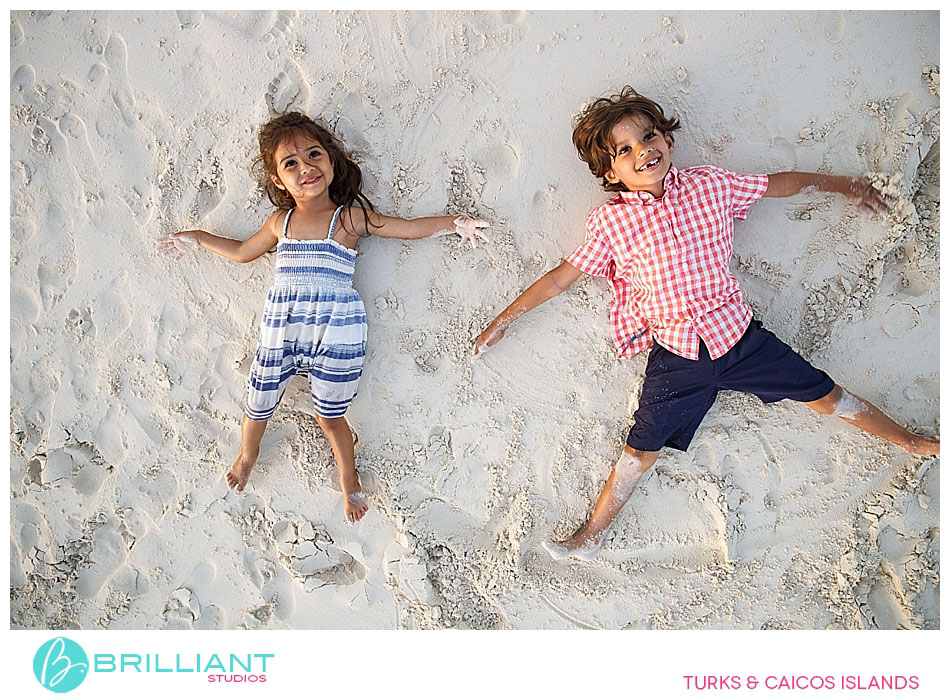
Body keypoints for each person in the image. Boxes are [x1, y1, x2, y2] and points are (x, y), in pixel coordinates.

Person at [474, 86, 938, 560]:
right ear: (611, 173)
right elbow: (559, 280)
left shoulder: (710, 185)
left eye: (649, 136)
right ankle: (590, 537)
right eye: (625, 150)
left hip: (740, 338)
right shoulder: (610, 224)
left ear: (668, 142)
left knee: (827, 395)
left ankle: (915, 442)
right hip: (677, 357)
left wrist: (844, 185)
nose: (644, 151)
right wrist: (505, 319)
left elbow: (779, 184)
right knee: (638, 453)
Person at [159, 111, 489, 523]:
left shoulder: (348, 218)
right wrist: (199, 238)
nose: (306, 168)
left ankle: (348, 478)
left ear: (332, 162)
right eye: (290, 163)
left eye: (314, 155)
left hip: (337, 328)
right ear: (279, 181)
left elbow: (405, 228)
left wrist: (454, 224)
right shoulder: (281, 222)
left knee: (329, 416)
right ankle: (248, 453)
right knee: (258, 402)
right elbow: (244, 252)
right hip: (283, 326)